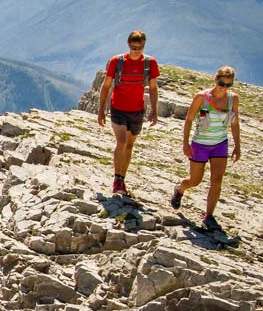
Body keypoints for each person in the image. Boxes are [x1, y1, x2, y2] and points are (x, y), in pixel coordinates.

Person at [170, 66, 242, 232]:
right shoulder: (201, 98)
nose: (223, 87)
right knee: (195, 181)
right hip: (200, 144)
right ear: (215, 79)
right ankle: (180, 189)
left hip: (220, 144)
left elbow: (235, 123)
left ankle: (209, 216)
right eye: (221, 83)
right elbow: (188, 120)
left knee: (217, 181)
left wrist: (237, 146)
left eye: (228, 84)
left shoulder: (233, 99)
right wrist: (185, 143)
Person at [97, 30, 160, 196]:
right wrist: (101, 110)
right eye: (133, 47)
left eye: (140, 47)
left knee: (130, 145)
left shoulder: (150, 63)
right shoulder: (117, 62)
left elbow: (153, 88)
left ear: (144, 45)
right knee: (122, 142)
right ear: (128, 45)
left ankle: (122, 179)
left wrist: (155, 110)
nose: (136, 50)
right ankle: (117, 180)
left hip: (137, 110)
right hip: (118, 108)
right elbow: (106, 85)